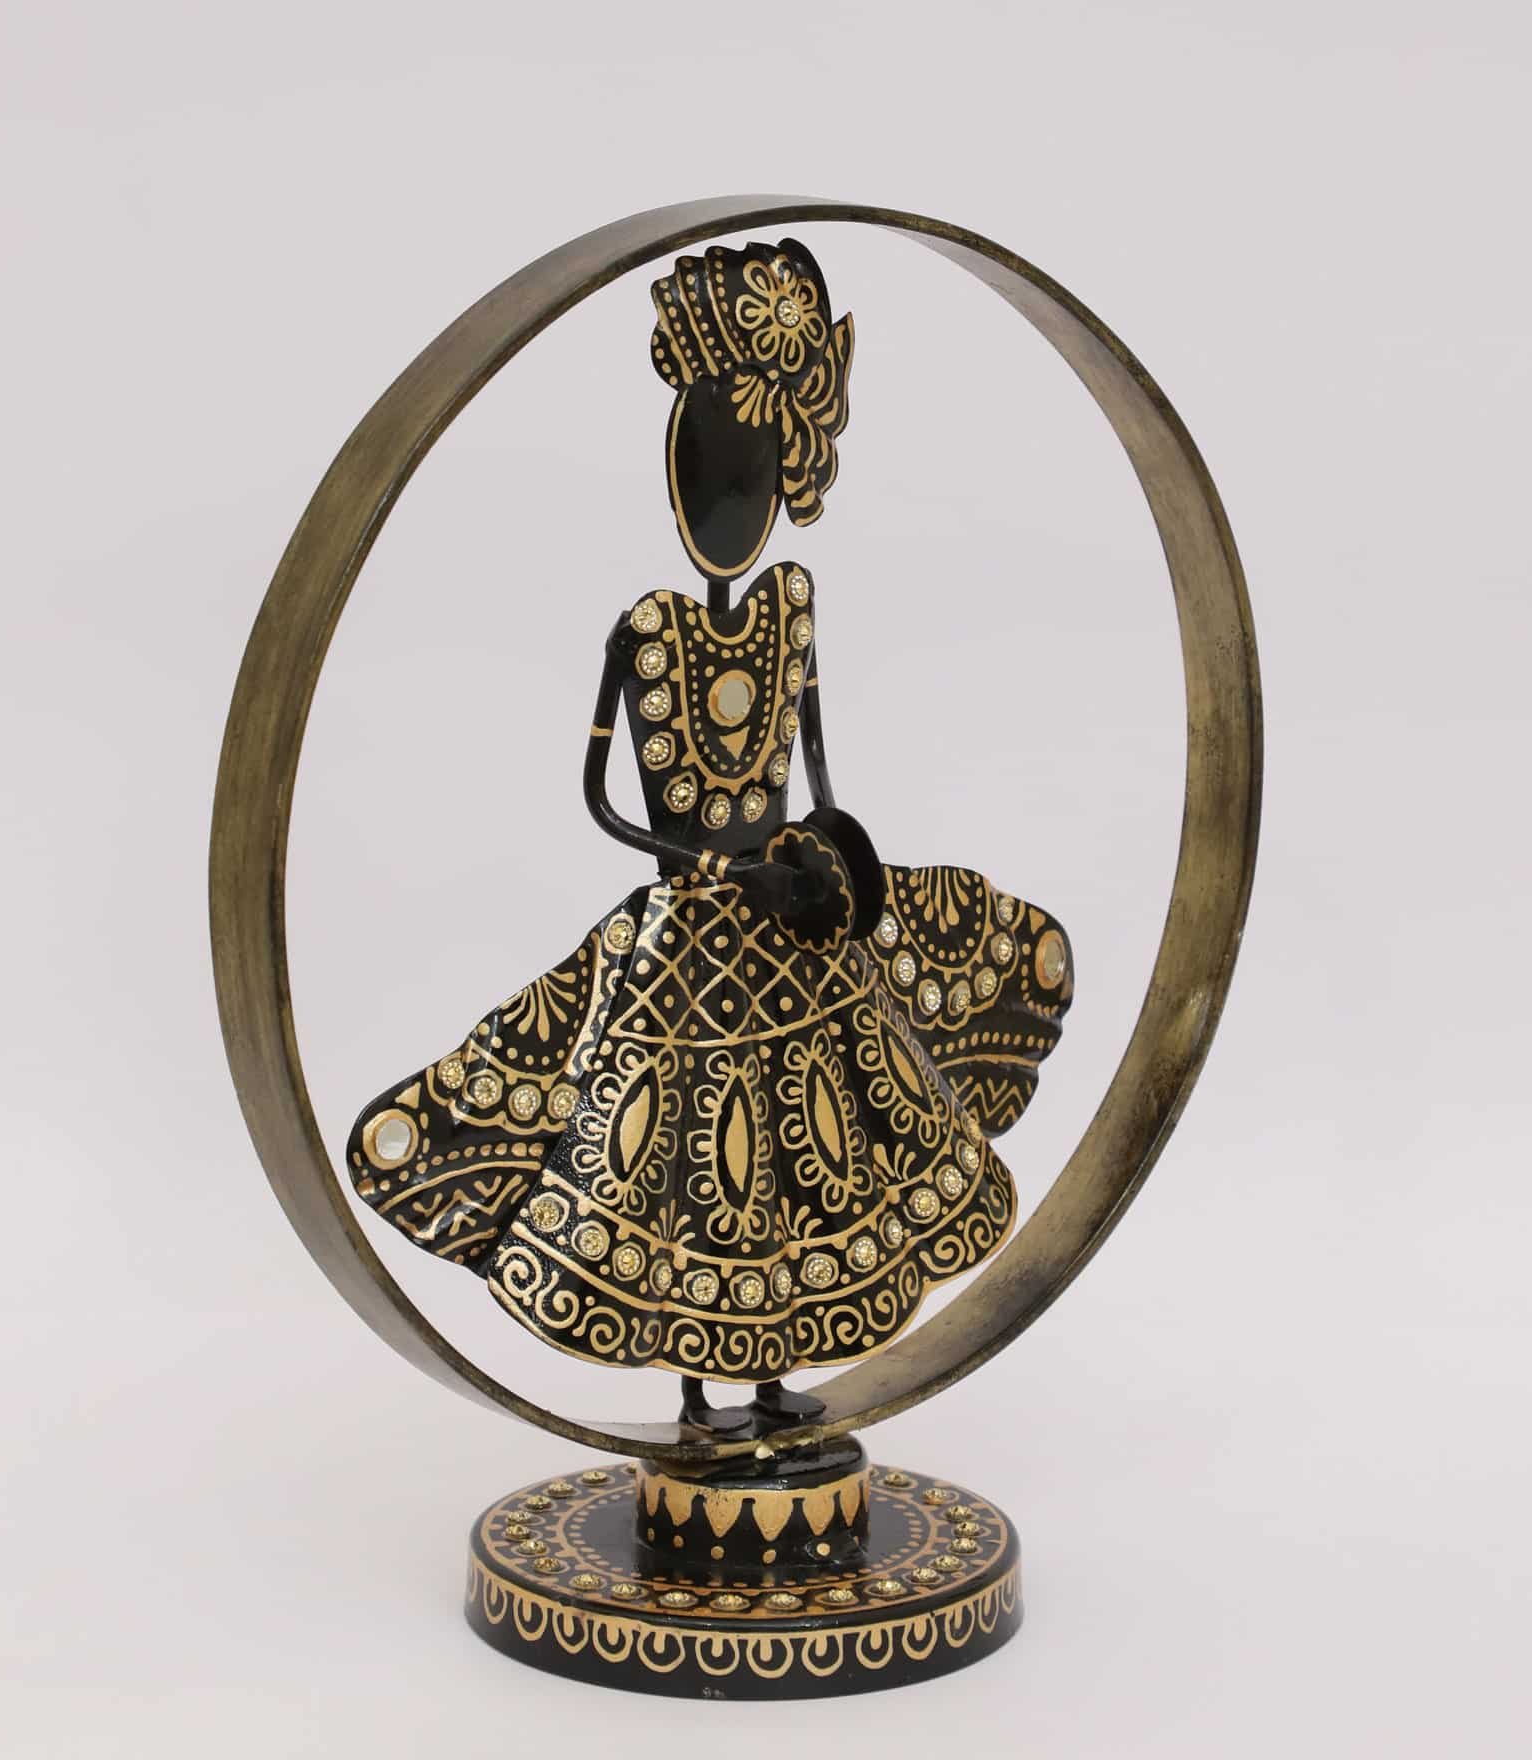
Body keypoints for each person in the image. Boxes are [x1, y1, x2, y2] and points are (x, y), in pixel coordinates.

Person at [347, 239, 1074, 1437]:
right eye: (711, 483)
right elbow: (598, 798)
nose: (724, 513)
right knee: (677, 1163)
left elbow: (821, 771)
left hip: (792, 914)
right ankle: (693, 1385)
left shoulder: (792, 613)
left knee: (805, 1160)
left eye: (739, 483)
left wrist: (828, 857)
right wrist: (699, 866)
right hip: (689, 930)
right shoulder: (644, 633)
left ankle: (772, 1376)